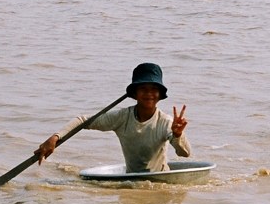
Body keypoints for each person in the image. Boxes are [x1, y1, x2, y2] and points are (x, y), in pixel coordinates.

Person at [34, 63, 190, 173]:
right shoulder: (122, 117)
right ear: (134, 93)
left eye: (154, 89)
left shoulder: (165, 122)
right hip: (131, 179)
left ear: (160, 95)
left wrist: (178, 135)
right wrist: (55, 137)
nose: (148, 93)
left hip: (159, 179)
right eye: (143, 88)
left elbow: (184, 154)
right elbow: (83, 121)